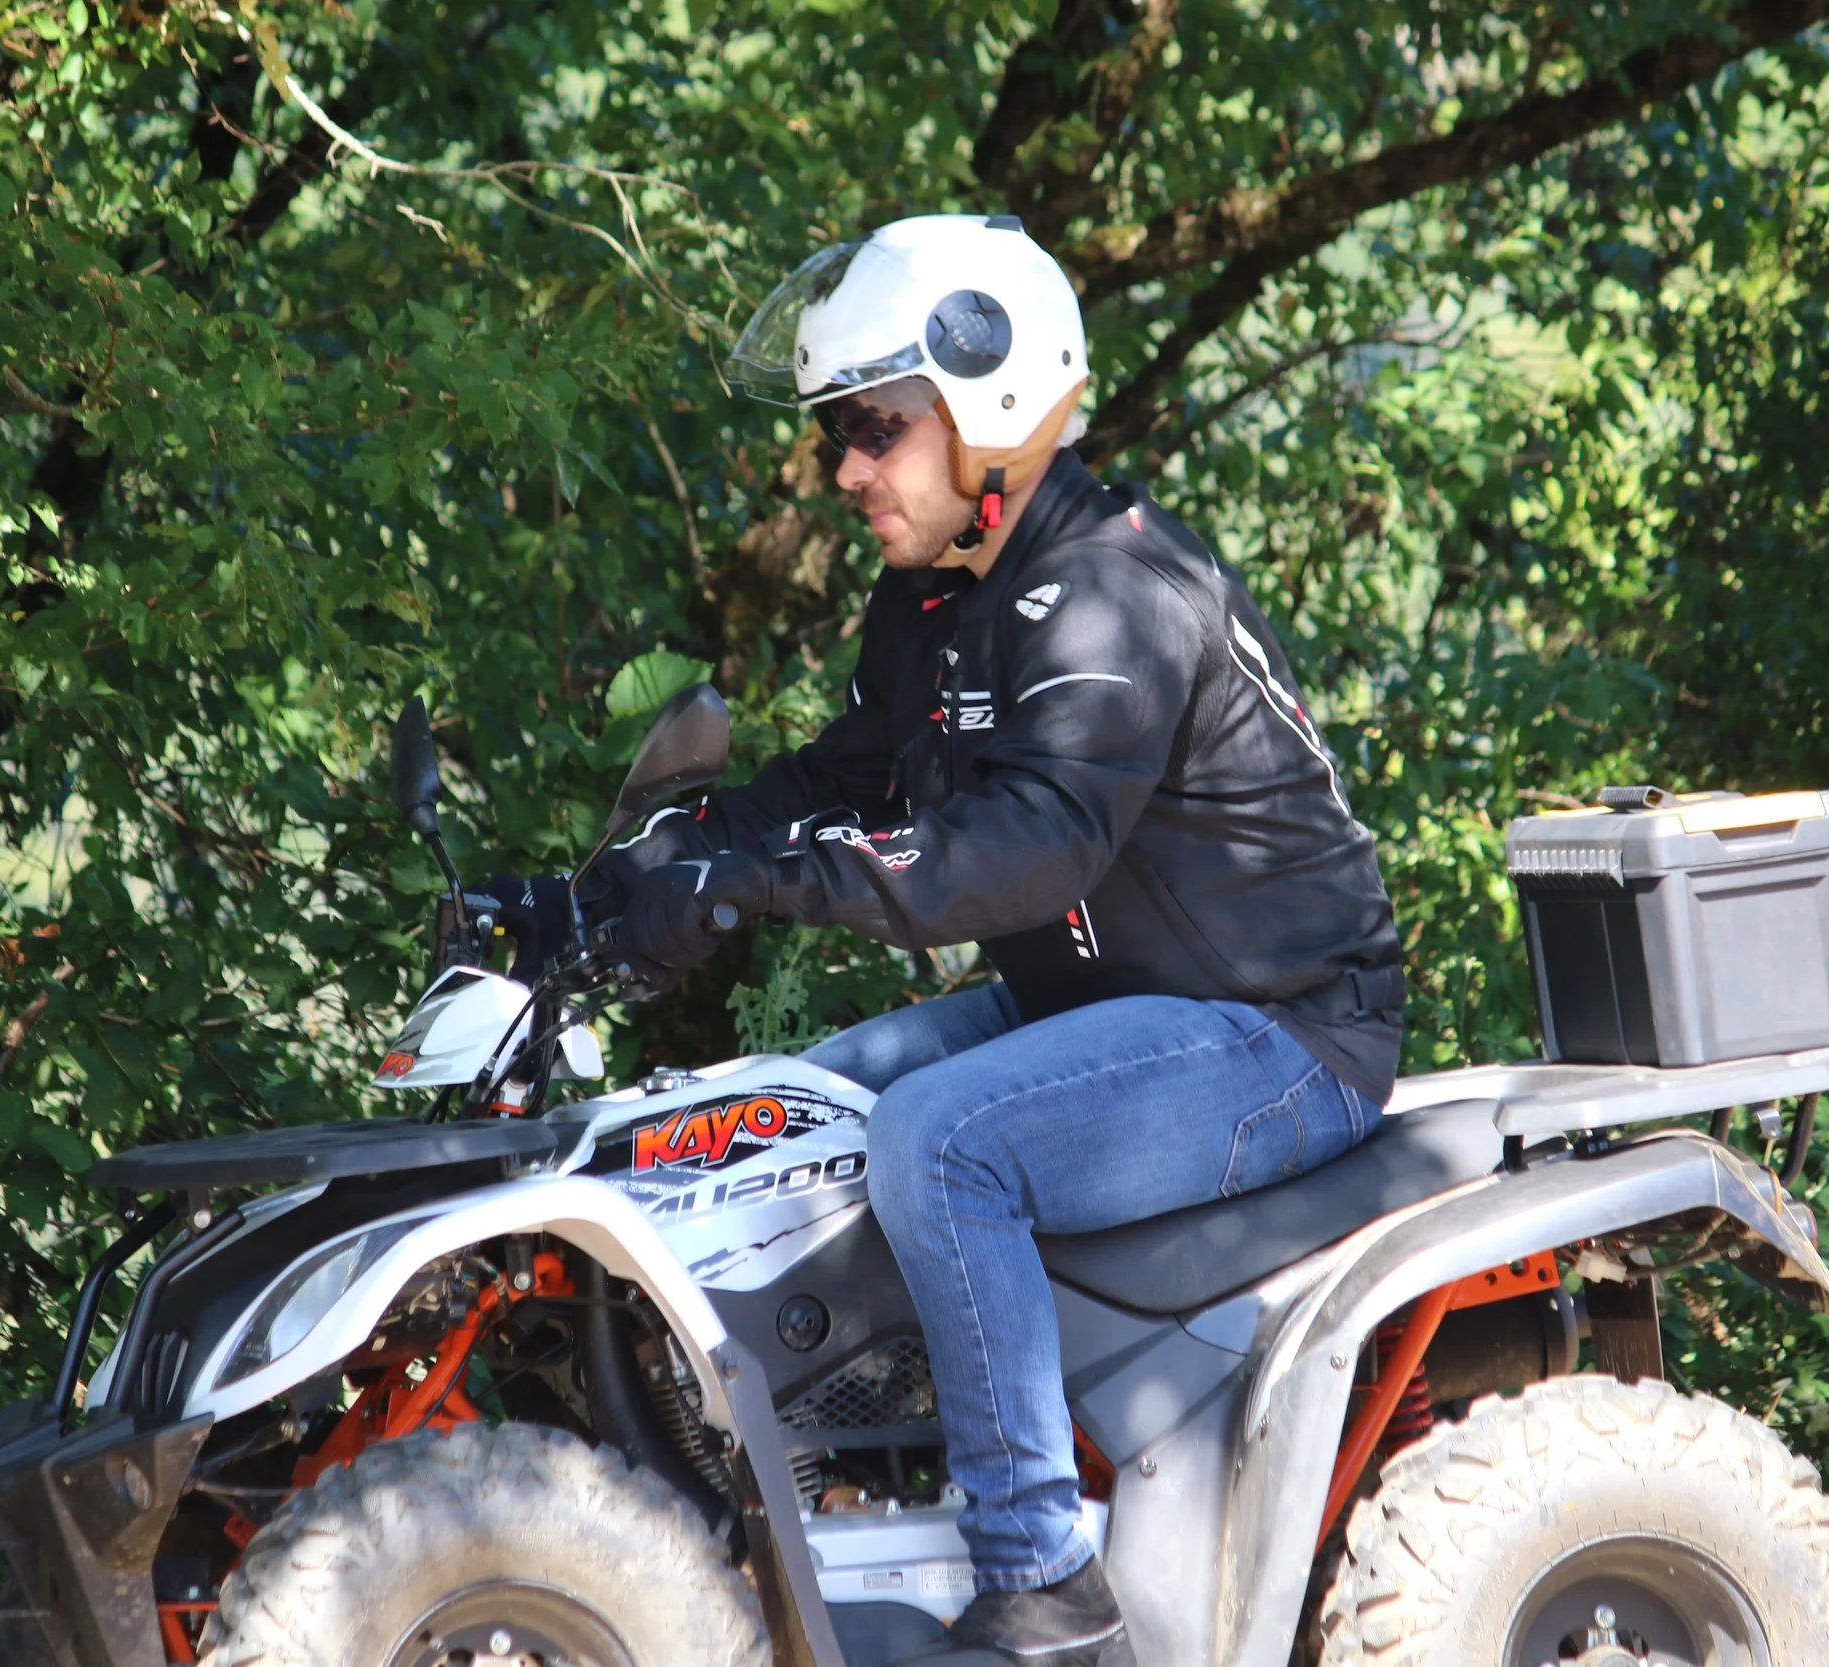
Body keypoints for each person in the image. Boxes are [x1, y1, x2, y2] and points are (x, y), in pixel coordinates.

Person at [597, 214, 1403, 1667]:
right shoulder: (934, 600)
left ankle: (1045, 1582)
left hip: (1279, 1028)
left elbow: (1023, 853)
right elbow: (843, 777)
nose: (845, 467)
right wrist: (643, 867)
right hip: (1097, 998)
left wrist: (763, 878)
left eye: (874, 428)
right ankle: (811, 1491)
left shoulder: (1115, 593)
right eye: (841, 430)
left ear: (996, 412)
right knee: (779, 1115)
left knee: (935, 1140)